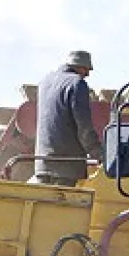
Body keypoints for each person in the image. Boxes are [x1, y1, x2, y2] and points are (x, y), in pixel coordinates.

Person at [31, 50, 103, 187]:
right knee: (62, 206)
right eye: (86, 69)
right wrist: (98, 154)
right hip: (66, 165)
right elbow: (84, 127)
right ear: (78, 67)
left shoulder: (45, 82)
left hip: (42, 163)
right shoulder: (77, 84)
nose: (87, 74)